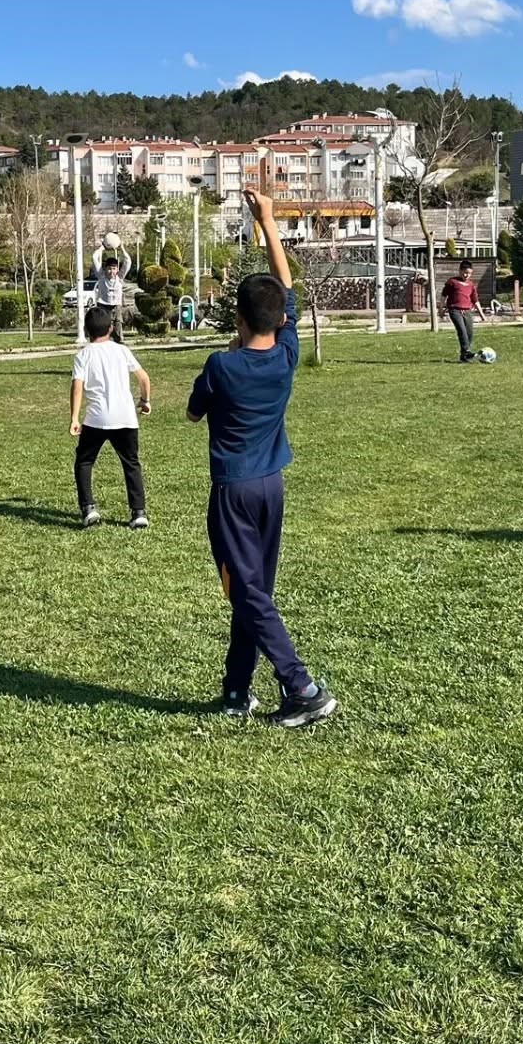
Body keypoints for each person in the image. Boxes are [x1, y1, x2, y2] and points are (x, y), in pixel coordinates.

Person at [186, 190, 337, 728]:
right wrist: (268, 222)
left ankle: (303, 688)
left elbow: (193, 413)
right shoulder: (288, 354)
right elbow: (286, 286)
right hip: (272, 485)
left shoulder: (221, 366)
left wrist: (228, 353)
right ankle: (236, 690)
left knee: (247, 592)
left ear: (238, 317)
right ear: (278, 318)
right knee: (254, 592)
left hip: (234, 492)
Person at [70, 304, 151, 529]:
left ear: (87, 330)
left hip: (96, 419)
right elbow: (144, 378)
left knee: (85, 461)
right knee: (131, 464)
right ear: (111, 328)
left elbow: (77, 387)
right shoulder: (121, 350)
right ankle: (138, 512)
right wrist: (145, 401)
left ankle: (88, 508)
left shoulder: (83, 355)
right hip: (125, 417)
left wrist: (75, 418)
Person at [441, 259, 487, 362]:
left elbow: (475, 300)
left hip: (467, 311)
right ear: (460, 270)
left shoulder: (471, 285)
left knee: (469, 333)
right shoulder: (452, 282)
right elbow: (444, 296)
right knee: (462, 331)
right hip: (455, 310)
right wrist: (441, 310)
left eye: (469, 273)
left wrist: (482, 315)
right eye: (465, 272)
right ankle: (467, 352)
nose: (467, 275)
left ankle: (464, 356)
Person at [91, 242, 132, 341]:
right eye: (109, 269)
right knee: (104, 325)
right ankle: (103, 341)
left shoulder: (120, 278)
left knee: (118, 323)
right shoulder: (101, 276)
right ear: (105, 269)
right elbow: (94, 257)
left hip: (116, 305)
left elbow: (128, 262)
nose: (111, 271)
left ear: (117, 269)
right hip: (103, 305)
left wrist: (122, 249)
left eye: (114, 269)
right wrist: (101, 248)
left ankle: (119, 341)